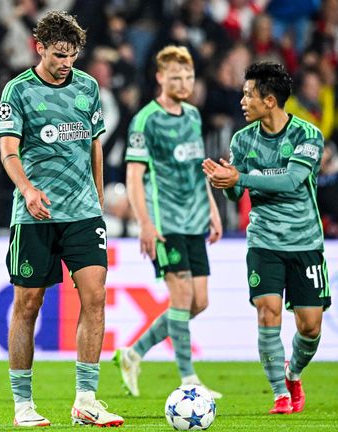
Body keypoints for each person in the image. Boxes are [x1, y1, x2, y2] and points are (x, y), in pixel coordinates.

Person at [0, 10, 124, 428]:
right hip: (35, 214)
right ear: (40, 48)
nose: (66, 62)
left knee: (96, 295)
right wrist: (28, 190)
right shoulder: (18, 92)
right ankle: (22, 404)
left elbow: (95, 146)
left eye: (72, 55)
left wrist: (99, 196)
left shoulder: (88, 88)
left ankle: (86, 399)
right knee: (28, 304)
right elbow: (9, 151)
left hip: (83, 212)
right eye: (58, 54)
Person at [202, 62, 331, 415]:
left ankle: (293, 373)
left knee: (310, 326)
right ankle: (279, 394)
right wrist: (225, 182)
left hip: (305, 244)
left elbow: (291, 181)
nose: (242, 101)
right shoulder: (242, 140)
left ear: (270, 100)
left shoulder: (307, 135)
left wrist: (240, 178)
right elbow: (235, 195)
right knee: (268, 312)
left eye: (248, 95)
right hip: (263, 241)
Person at [112, 46, 223, 399]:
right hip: (165, 223)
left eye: (188, 77)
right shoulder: (146, 120)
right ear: (160, 78)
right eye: (176, 77)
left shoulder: (192, 115)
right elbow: (133, 176)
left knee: (198, 302)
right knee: (182, 296)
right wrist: (144, 223)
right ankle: (189, 380)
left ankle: (133, 353)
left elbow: (197, 167)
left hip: (195, 219)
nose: (184, 82)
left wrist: (213, 209)